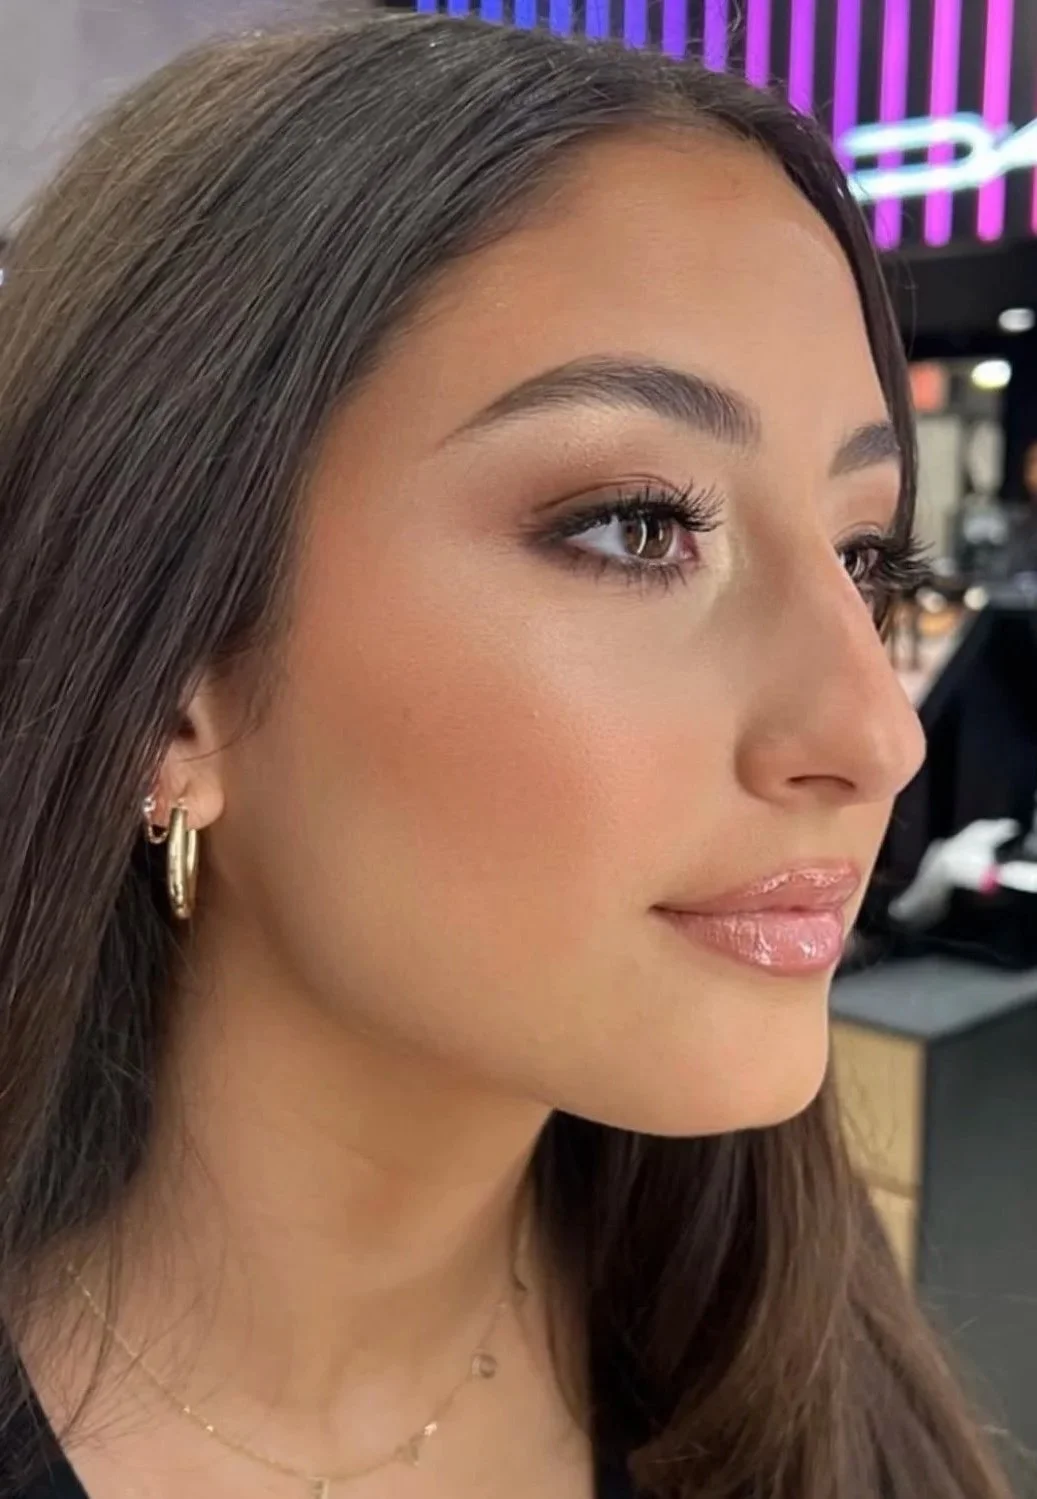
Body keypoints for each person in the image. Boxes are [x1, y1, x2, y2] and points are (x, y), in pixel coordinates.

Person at [0, 12, 1017, 1499]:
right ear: (174, 687)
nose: (874, 731)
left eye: (868, 555)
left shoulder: (778, 1336)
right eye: (637, 526)